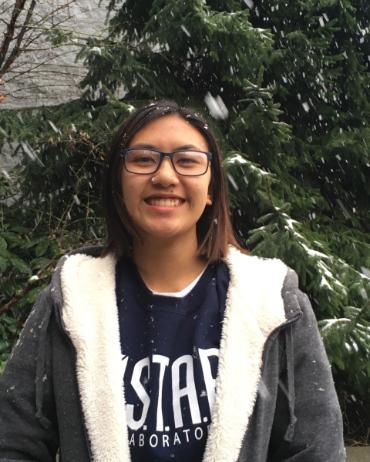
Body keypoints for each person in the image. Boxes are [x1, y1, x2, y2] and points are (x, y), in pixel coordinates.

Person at [0, 100, 345, 462]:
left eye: (187, 160)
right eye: (143, 158)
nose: (165, 175)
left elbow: (315, 450)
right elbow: (13, 443)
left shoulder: (273, 302)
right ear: (119, 183)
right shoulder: (69, 300)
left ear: (212, 188)